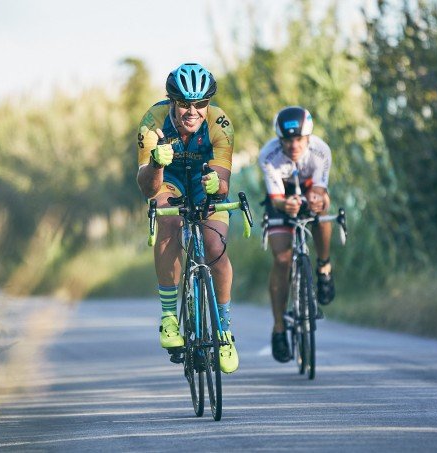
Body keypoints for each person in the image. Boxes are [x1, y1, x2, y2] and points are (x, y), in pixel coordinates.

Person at [136, 63, 239, 373]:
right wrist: (155, 163)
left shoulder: (220, 124)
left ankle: (224, 329)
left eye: (201, 104)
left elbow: (223, 183)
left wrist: (216, 186)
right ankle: (169, 317)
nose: (193, 111)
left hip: (203, 178)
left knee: (214, 247)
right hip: (170, 179)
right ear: (172, 102)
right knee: (168, 221)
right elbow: (146, 188)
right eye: (184, 104)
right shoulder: (151, 124)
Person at [258, 106, 336, 363]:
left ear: (308, 138)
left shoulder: (321, 150)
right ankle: (279, 327)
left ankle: (324, 267)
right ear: (279, 140)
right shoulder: (268, 155)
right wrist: (285, 205)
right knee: (281, 259)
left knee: (322, 209)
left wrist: (316, 199)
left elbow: (321, 188)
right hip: (281, 198)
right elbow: (276, 197)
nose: (293, 146)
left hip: (309, 190)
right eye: (288, 141)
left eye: (299, 140)